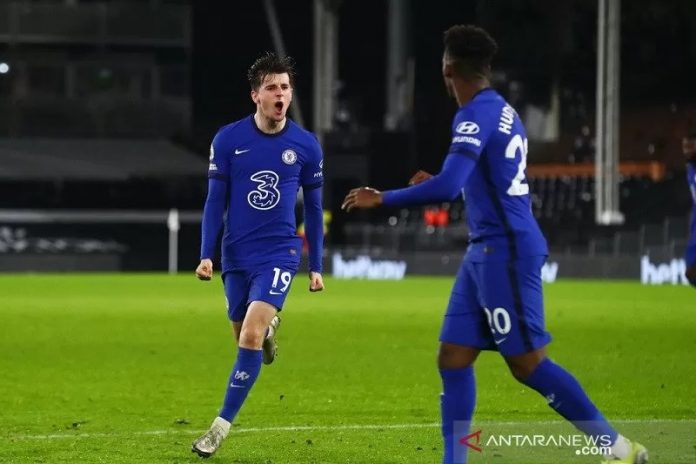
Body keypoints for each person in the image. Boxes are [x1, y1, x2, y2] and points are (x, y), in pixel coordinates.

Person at [342, 25, 647, 464]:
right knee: (453, 356)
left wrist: (382, 197)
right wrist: (455, 185)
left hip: (504, 250)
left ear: (447, 69)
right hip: (485, 249)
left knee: (527, 364)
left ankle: (616, 448)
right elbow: (486, 180)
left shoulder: (472, 115)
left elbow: (448, 186)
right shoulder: (502, 109)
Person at [192, 52, 325, 458]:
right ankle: (267, 333)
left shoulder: (305, 145)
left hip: (281, 252)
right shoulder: (229, 140)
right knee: (244, 338)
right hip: (236, 255)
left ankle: (218, 427)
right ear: (256, 96)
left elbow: (315, 209)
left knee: (248, 333)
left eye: (285, 87)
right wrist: (206, 254)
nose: (280, 94)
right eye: (272, 88)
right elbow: (215, 202)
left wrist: (315, 265)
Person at [683, 133, 696, 286]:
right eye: (685, 147)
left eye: (690, 146)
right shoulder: (690, 168)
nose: (686, 150)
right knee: (690, 273)